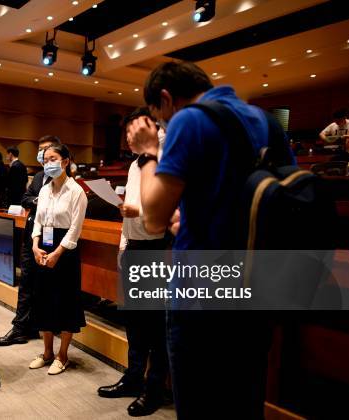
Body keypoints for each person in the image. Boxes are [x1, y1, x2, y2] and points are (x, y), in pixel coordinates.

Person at [128, 61, 293, 419]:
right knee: (243, 403)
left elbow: (154, 219)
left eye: (160, 118)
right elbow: (269, 198)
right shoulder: (264, 120)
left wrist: (147, 152)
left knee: (201, 405)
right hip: (256, 285)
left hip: (201, 290)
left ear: (167, 99)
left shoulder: (189, 120)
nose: (164, 127)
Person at [97, 107, 173, 417]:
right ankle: (132, 378)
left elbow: (169, 206)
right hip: (134, 247)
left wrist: (137, 212)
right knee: (134, 324)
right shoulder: (133, 164)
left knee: (154, 327)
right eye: (126, 133)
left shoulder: (167, 154)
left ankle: (154, 390)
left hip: (159, 249)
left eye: (133, 132)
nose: (128, 138)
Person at [0, 135, 61, 346]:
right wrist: (39, 200)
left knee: (44, 286)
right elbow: (25, 198)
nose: (41, 154)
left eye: (46, 149)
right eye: (39, 149)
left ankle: (38, 326)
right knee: (26, 283)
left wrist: (39, 201)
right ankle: (21, 328)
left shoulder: (63, 179)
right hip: (30, 236)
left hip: (51, 240)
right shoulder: (40, 176)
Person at [29, 143, 87, 375]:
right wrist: (35, 244)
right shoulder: (44, 189)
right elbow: (38, 220)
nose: (48, 163)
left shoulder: (76, 191)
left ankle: (63, 355)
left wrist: (58, 253)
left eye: (52, 158)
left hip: (65, 250)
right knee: (43, 299)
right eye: (44, 160)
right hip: (44, 245)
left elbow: (75, 228)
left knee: (64, 301)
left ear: (65, 161)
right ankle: (46, 353)